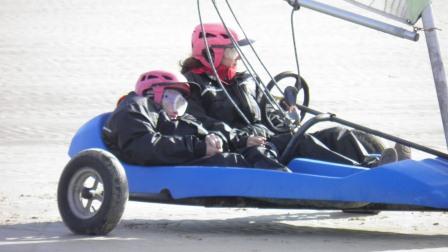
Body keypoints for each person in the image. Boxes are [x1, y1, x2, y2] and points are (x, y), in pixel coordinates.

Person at [180, 23, 410, 166]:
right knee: (306, 143)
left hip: (271, 136)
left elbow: (268, 109)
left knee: (338, 134)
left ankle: (388, 164)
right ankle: (368, 171)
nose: (238, 55)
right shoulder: (191, 85)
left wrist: (285, 115)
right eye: (232, 49)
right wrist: (244, 135)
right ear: (210, 52)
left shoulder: (246, 80)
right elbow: (199, 124)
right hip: (245, 145)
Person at [102, 70, 288, 171]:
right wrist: (199, 147)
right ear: (154, 93)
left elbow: (208, 127)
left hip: (187, 156)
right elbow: (143, 146)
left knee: (270, 147)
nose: (178, 103)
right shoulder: (135, 107)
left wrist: (241, 139)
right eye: (172, 96)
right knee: (236, 161)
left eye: (181, 99)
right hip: (167, 164)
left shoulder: (176, 116)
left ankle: (297, 174)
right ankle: (290, 187)